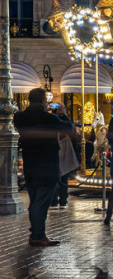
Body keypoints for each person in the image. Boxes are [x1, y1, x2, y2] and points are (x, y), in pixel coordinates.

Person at [13, 88, 74, 246]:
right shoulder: (49, 118)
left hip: (30, 163)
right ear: (43, 101)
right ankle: (38, 235)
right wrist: (61, 114)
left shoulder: (19, 117)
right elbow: (69, 129)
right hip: (47, 164)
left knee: (35, 199)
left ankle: (36, 231)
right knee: (42, 201)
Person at [51, 103, 80, 210]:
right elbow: (71, 130)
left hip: (60, 150)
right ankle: (59, 201)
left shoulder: (54, 120)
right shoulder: (60, 121)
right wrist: (63, 115)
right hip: (60, 150)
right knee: (60, 178)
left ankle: (59, 201)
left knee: (60, 177)